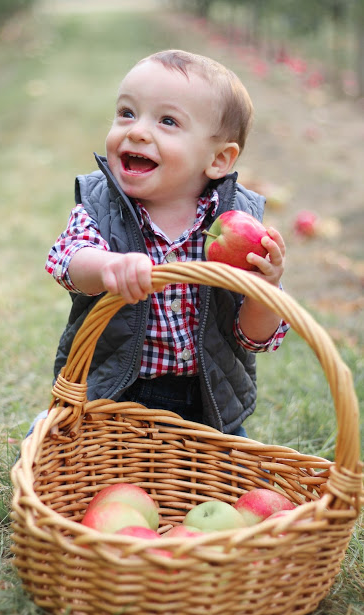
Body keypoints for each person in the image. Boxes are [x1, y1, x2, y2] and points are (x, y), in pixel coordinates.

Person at [39, 49, 289, 438]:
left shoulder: (239, 224)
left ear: (219, 160)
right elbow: (69, 262)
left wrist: (265, 288)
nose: (136, 131)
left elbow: (254, 338)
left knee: (235, 482)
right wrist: (106, 267)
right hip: (112, 395)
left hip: (206, 404)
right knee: (52, 446)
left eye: (167, 121)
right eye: (126, 113)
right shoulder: (100, 204)